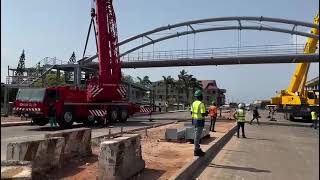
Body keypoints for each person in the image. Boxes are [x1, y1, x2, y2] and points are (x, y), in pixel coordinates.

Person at [191, 90, 208, 156]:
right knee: (197, 136)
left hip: (194, 120)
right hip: (199, 121)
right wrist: (207, 113)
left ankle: (197, 148)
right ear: (200, 96)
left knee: (196, 135)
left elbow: (191, 112)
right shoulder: (201, 104)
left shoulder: (193, 103)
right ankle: (196, 150)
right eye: (202, 95)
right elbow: (203, 114)